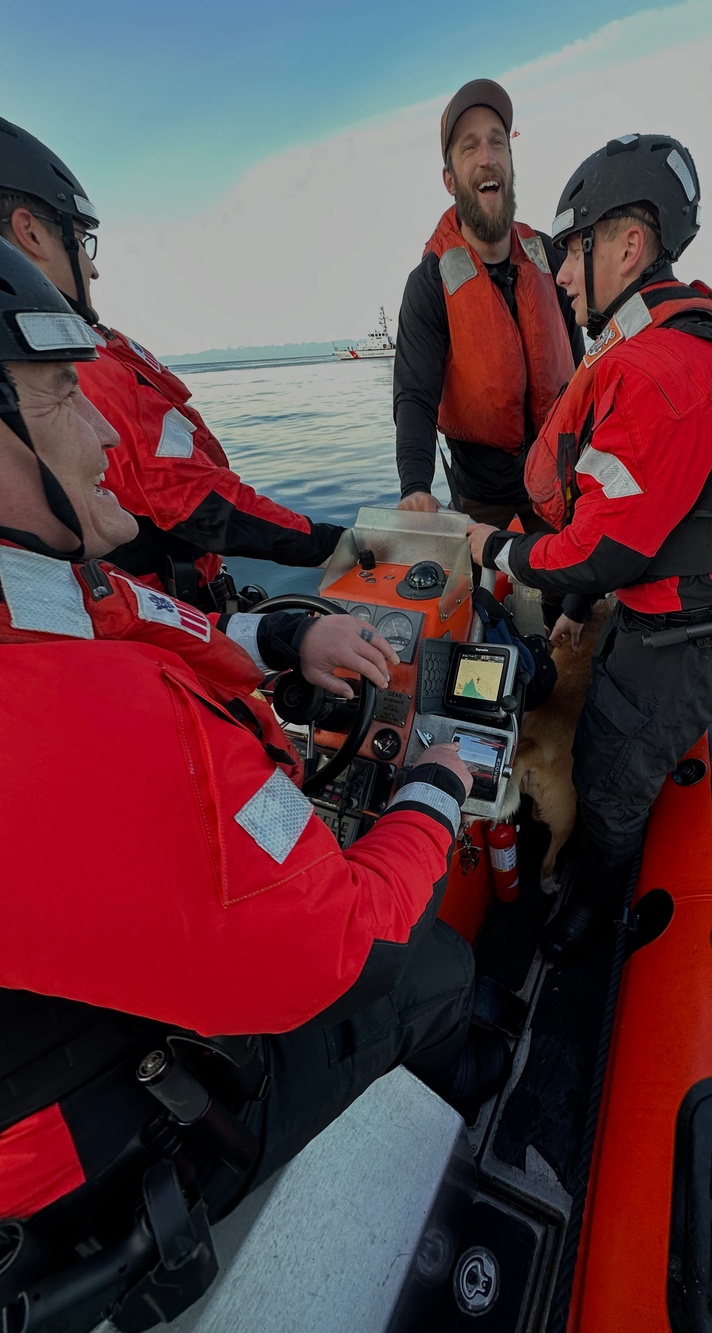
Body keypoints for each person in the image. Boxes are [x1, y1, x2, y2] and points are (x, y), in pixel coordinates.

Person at [0, 239, 507, 1328]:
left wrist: (279, 632)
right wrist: (427, 793)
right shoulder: (89, 718)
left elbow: (128, 613)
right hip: (94, 1142)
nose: (99, 435)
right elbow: (334, 947)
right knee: (428, 968)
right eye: (54, 401)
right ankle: (493, 1124)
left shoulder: (32, 595)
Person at [468, 134, 712, 962]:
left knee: (605, 776)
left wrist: (497, 549)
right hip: (668, 609)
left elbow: (604, 553)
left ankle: (593, 917)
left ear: (628, 245)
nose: (561, 275)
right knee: (596, 710)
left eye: (573, 251)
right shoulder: (662, 350)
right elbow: (634, 518)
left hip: (694, 633)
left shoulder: (661, 370)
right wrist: (572, 609)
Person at [0, 117, 345, 613]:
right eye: (79, 239)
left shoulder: (89, 351)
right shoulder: (85, 368)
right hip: (165, 615)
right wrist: (332, 544)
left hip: (152, 613)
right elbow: (200, 505)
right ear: (30, 233)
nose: (92, 266)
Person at [393, 78, 584, 532]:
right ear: (449, 179)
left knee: (580, 596)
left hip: (562, 480)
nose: (487, 156)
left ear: (511, 163)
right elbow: (415, 397)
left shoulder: (555, 258)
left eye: (498, 142)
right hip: (482, 498)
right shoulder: (429, 283)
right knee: (480, 597)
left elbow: (589, 357)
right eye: (469, 147)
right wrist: (415, 487)